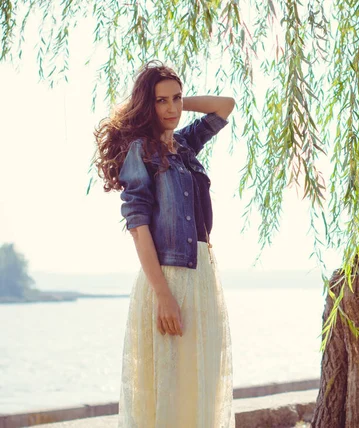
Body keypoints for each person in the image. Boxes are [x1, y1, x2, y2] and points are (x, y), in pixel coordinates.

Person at [93, 60, 236, 427]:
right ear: (146, 105)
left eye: (176, 99)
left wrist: (180, 102)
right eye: (161, 101)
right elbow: (138, 228)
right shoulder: (140, 151)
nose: (171, 108)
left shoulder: (184, 145)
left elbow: (226, 105)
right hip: (168, 279)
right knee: (169, 391)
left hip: (202, 276)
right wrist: (163, 296)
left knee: (198, 388)